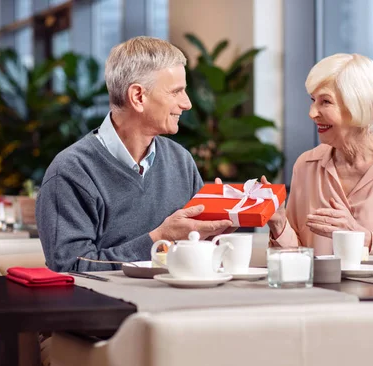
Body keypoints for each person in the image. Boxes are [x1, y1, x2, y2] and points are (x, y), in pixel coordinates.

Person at [36, 36, 233, 272]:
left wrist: (212, 232)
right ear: (138, 97)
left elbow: (194, 253)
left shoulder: (181, 161)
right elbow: (70, 267)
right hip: (106, 307)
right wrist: (160, 239)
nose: (187, 103)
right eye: (176, 91)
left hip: (177, 303)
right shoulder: (71, 171)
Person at [267, 53, 373, 262]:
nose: (312, 113)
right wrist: (279, 224)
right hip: (318, 294)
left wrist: (361, 237)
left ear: (358, 105)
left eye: (325, 102)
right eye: (312, 100)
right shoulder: (305, 165)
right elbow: (297, 258)